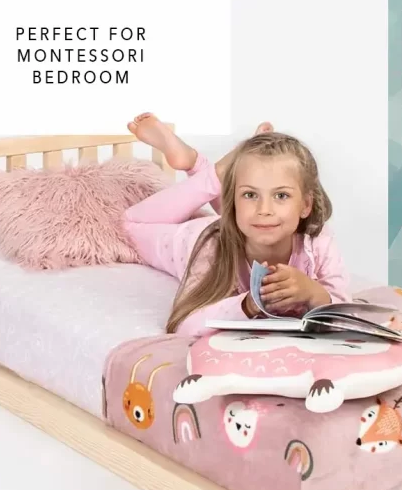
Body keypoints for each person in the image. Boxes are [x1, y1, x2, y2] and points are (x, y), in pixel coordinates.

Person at [123, 113, 350, 337]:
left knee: (255, 216)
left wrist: (314, 293)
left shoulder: (318, 242)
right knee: (130, 224)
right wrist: (247, 305)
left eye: (281, 195)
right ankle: (217, 172)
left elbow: (347, 311)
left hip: (241, 227)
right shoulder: (210, 247)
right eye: (250, 194)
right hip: (199, 236)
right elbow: (184, 325)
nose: (265, 208)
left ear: (306, 205)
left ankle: (208, 168)